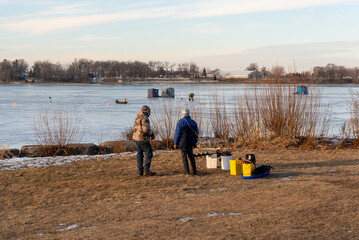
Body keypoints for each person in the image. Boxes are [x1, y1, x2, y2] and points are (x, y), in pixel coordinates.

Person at [174, 108, 199, 175]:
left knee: (184, 157)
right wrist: (195, 142)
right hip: (191, 143)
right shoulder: (193, 122)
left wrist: (175, 143)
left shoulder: (180, 122)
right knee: (191, 156)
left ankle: (187, 172)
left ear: (183, 114)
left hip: (183, 143)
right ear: (189, 114)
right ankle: (194, 171)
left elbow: (177, 134)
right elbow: (197, 133)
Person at [132, 105, 156, 176]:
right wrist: (151, 133)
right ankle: (146, 170)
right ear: (147, 112)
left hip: (136, 138)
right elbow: (145, 130)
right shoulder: (144, 118)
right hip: (143, 139)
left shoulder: (137, 117)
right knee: (149, 153)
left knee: (139, 154)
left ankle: (140, 171)